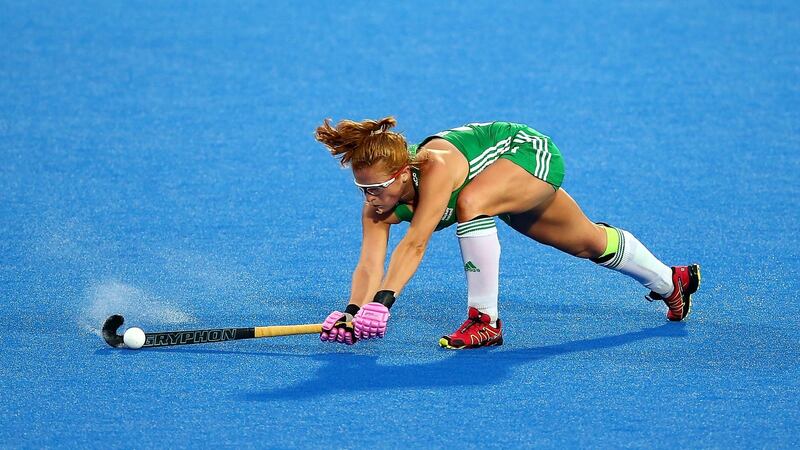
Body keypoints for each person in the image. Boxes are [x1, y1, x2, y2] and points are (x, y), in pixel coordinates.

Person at [314, 117, 701, 349]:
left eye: (377, 188)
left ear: (401, 174)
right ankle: (671, 281)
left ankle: (485, 321)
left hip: (525, 154)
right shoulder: (377, 205)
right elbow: (369, 264)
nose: (370, 198)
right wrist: (352, 312)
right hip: (493, 186)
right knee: (588, 243)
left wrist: (382, 304)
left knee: (471, 203)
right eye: (362, 190)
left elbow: (416, 242)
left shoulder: (436, 166)